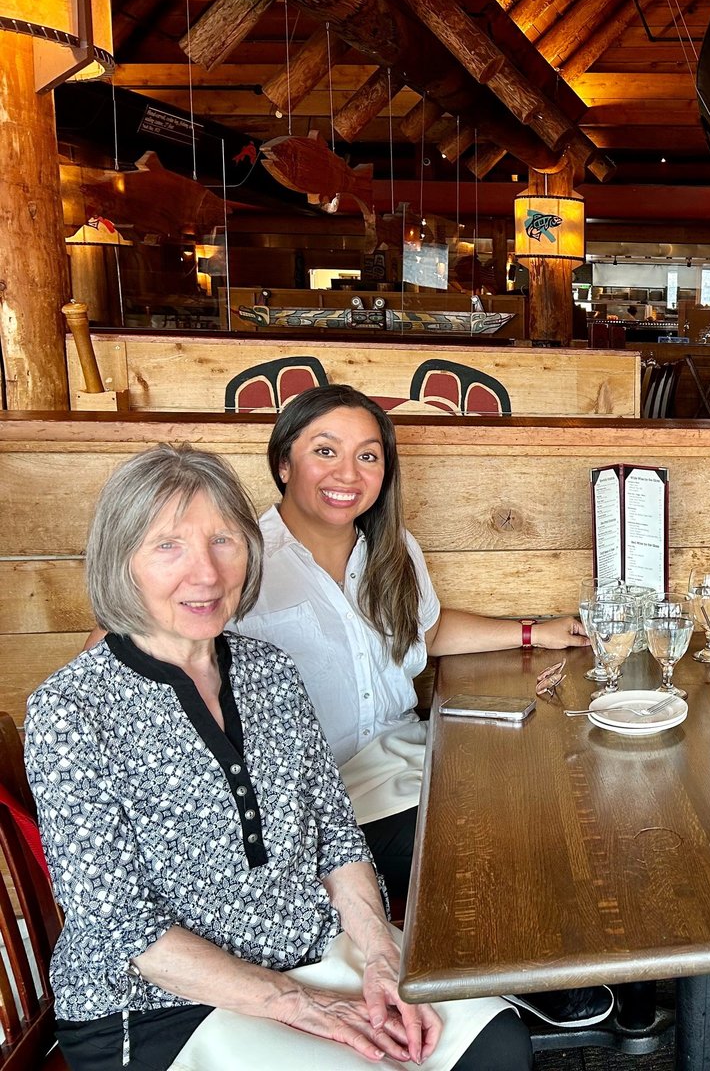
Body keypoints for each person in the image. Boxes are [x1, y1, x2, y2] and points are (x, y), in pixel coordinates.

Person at [26, 445, 530, 1071]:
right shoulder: (71, 709)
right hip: (158, 1006)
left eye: (223, 541)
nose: (205, 574)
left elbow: (338, 839)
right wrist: (301, 1004)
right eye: (167, 546)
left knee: (495, 1043)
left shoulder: (270, 673)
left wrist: (378, 954)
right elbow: (121, 927)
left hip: (310, 949)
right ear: (120, 562)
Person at [229, 384, 610, 1029]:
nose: (348, 474)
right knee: (497, 829)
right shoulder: (242, 560)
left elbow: (424, 634)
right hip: (326, 801)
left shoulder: (391, 547)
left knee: (563, 780)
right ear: (283, 463)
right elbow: (148, 645)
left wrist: (532, 631)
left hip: (408, 753)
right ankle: (500, 970)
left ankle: (585, 960)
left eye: (369, 456)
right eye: (325, 451)